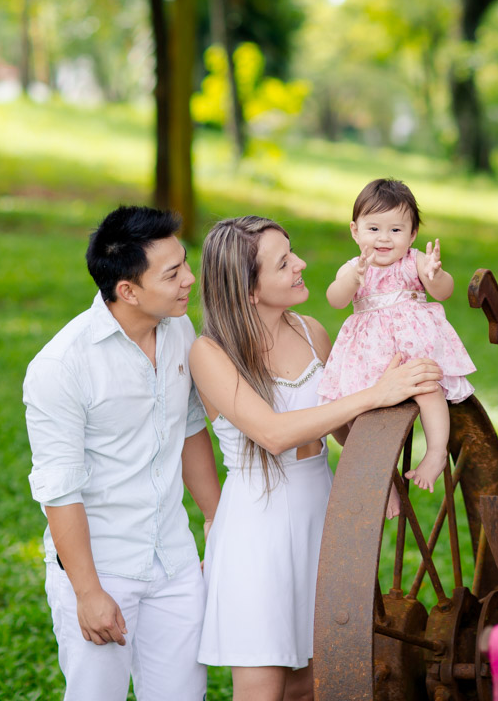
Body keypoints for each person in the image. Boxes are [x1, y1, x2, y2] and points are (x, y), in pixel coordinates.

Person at [190, 215, 442, 701]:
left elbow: (337, 423)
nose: (302, 264)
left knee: (313, 682)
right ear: (248, 290)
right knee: (262, 686)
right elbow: (272, 434)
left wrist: (375, 475)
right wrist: (375, 394)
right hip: (256, 528)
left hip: (320, 512)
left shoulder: (312, 332)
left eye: (293, 253)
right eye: (284, 263)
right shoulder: (211, 352)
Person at [23, 205, 220, 701]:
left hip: (174, 560)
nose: (189, 281)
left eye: (185, 264)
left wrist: (218, 520)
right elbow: (59, 488)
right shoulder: (61, 367)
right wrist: (88, 594)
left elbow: (191, 428)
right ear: (127, 290)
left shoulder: (178, 329)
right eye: (173, 273)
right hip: (101, 567)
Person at [318, 178, 476, 495]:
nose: (384, 239)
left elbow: (443, 292)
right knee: (358, 413)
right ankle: (383, 483)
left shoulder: (414, 261)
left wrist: (435, 274)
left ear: (412, 234)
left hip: (412, 353)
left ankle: (435, 454)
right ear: (355, 231)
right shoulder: (353, 267)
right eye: (373, 229)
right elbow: (335, 299)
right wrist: (352, 280)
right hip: (370, 357)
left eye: (395, 230)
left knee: (428, 389)